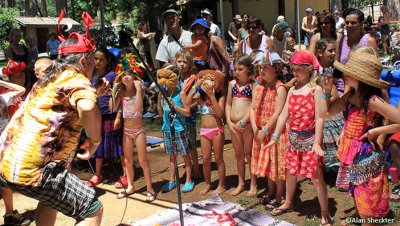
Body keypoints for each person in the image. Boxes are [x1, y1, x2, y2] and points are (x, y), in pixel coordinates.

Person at [0, 11, 107, 225]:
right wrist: (95, 140)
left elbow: (65, 101)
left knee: (49, 200)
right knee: (93, 209)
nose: (94, 66)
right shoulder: (75, 77)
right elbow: (86, 107)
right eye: (92, 61)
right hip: (35, 170)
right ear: (83, 60)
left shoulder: (50, 77)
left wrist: (93, 92)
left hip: (6, 163)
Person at [320, 49, 399, 225]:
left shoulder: (372, 101)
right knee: (356, 190)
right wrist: (326, 92)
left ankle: (366, 220)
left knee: (367, 197)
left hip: (366, 156)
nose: (344, 75)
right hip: (352, 154)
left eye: (349, 73)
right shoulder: (350, 96)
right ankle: (359, 214)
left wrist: (376, 132)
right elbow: (328, 112)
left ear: (361, 78)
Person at [268, 50, 332, 226]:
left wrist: (317, 142)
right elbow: (283, 116)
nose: (294, 73)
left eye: (298, 69)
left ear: (309, 68)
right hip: (294, 140)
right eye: (292, 69)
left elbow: (320, 117)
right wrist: (274, 136)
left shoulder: (315, 90)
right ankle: (288, 201)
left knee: (316, 177)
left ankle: (325, 212)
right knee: (290, 172)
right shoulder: (292, 90)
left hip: (311, 140)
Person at [110, 58, 156, 201]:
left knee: (142, 161)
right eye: (123, 75)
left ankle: (150, 189)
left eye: (129, 74)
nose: (126, 77)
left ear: (135, 77)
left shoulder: (139, 91)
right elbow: (111, 108)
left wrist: (137, 89)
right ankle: (130, 186)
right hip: (127, 131)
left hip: (139, 130)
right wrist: (113, 91)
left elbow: (138, 108)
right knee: (128, 161)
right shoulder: (121, 92)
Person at [250, 52, 287, 211]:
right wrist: (255, 129)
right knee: (268, 165)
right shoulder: (258, 87)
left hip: (274, 134)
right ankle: (271, 191)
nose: (262, 70)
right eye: (260, 68)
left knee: (276, 165)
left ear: (276, 68)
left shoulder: (280, 89)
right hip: (260, 132)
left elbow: (278, 112)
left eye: (266, 67)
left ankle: (279, 194)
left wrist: (265, 130)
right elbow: (252, 109)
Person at [85, 48, 125, 189]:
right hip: (97, 116)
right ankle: (97, 174)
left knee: (118, 145)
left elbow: (121, 97)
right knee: (98, 144)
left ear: (107, 61)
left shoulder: (113, 76)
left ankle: (125, 174)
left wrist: (119, 116)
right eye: (95, 58)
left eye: (101, 59)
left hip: (111, 115)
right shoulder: (92, 76)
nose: (98, 62)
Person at [187, 70, 226, 195]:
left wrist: (212, 96)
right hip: (204, 131)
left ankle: (221, 185)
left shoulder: (221, 97)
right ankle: (208, 183)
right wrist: (195, 86)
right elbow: (187, 103)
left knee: (219, 158)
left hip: (217, 130)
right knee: (206, 159)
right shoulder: (200, 97)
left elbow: (220, 114)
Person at [156, 68, 195, 193]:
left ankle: (189, 179)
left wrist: (175, 106)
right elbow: (160, 112)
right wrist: (159, 102)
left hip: (179, 129)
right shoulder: (163, 94)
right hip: (167, 130)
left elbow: (188, 112)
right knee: (172, 157)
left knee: (185, 155)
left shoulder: (181, 93)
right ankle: (172, 180)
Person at [0, 69, 30, 226]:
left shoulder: (3, 98)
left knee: (4, 181)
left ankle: (9, 214)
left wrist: (1, 82)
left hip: (4, 147)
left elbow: (21, 90)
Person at [225, 54, 256, 196]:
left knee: (249, 155)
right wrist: (229, 122)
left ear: (248, 69)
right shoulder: (232, 84)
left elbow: (254, 106)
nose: (237, 72)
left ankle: (253, 184)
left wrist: (243, 121)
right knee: (238, 155)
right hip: (233, 126)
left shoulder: (253, 85)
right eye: (235, 69)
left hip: (247, 124)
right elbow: (228, 104)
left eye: (240, 69)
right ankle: (241, 183)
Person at [315, 39, 345, 175]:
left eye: (334, 50)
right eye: (330, 50)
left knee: (329, 123)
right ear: (320, 52)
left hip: (333, 106)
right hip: (319, 106)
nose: (333, 53)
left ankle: (333, 164)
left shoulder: (336, 68)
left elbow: (335, 96)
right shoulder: (315, 71)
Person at [177, 50, 202, 179]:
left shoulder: (193, 80)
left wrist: (188, 107)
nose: (181, 64)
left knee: (192, 144)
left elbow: (198, 98)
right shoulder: (175, 78)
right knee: (182, 145)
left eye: (184, 62)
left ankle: (196, 169)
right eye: (179, 61)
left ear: (190, 64)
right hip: (177, 116)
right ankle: (188, 168)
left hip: (189, 116)